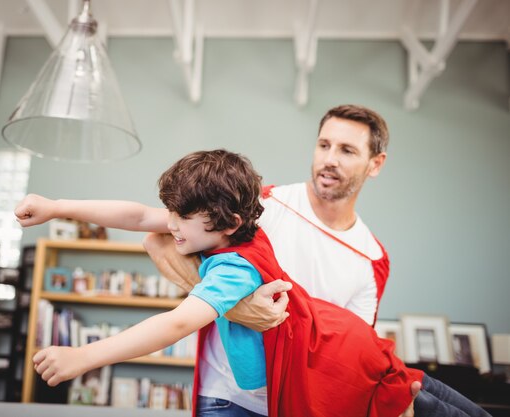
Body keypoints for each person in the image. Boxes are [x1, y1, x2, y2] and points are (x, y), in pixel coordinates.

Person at [16, 150, 490, 417]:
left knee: (423, 404)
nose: (171, 226)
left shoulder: (232, 269)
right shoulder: (225, 227)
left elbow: (177, 325)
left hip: (335, 356)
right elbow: (138, 215)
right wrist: (58, 206)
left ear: (229, 221)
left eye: (183, 218)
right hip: (344, 340)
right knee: (428, 396)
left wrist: (86, 354)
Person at [142, 104, 421, 416]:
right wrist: (236, 307)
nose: (329, 160)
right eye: (324, 145)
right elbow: (160, 242)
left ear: (375, 163)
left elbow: (347, 356)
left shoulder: (372, 260)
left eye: (347, 150)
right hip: (226, 398)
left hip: (296, 407)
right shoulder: (263, 204)